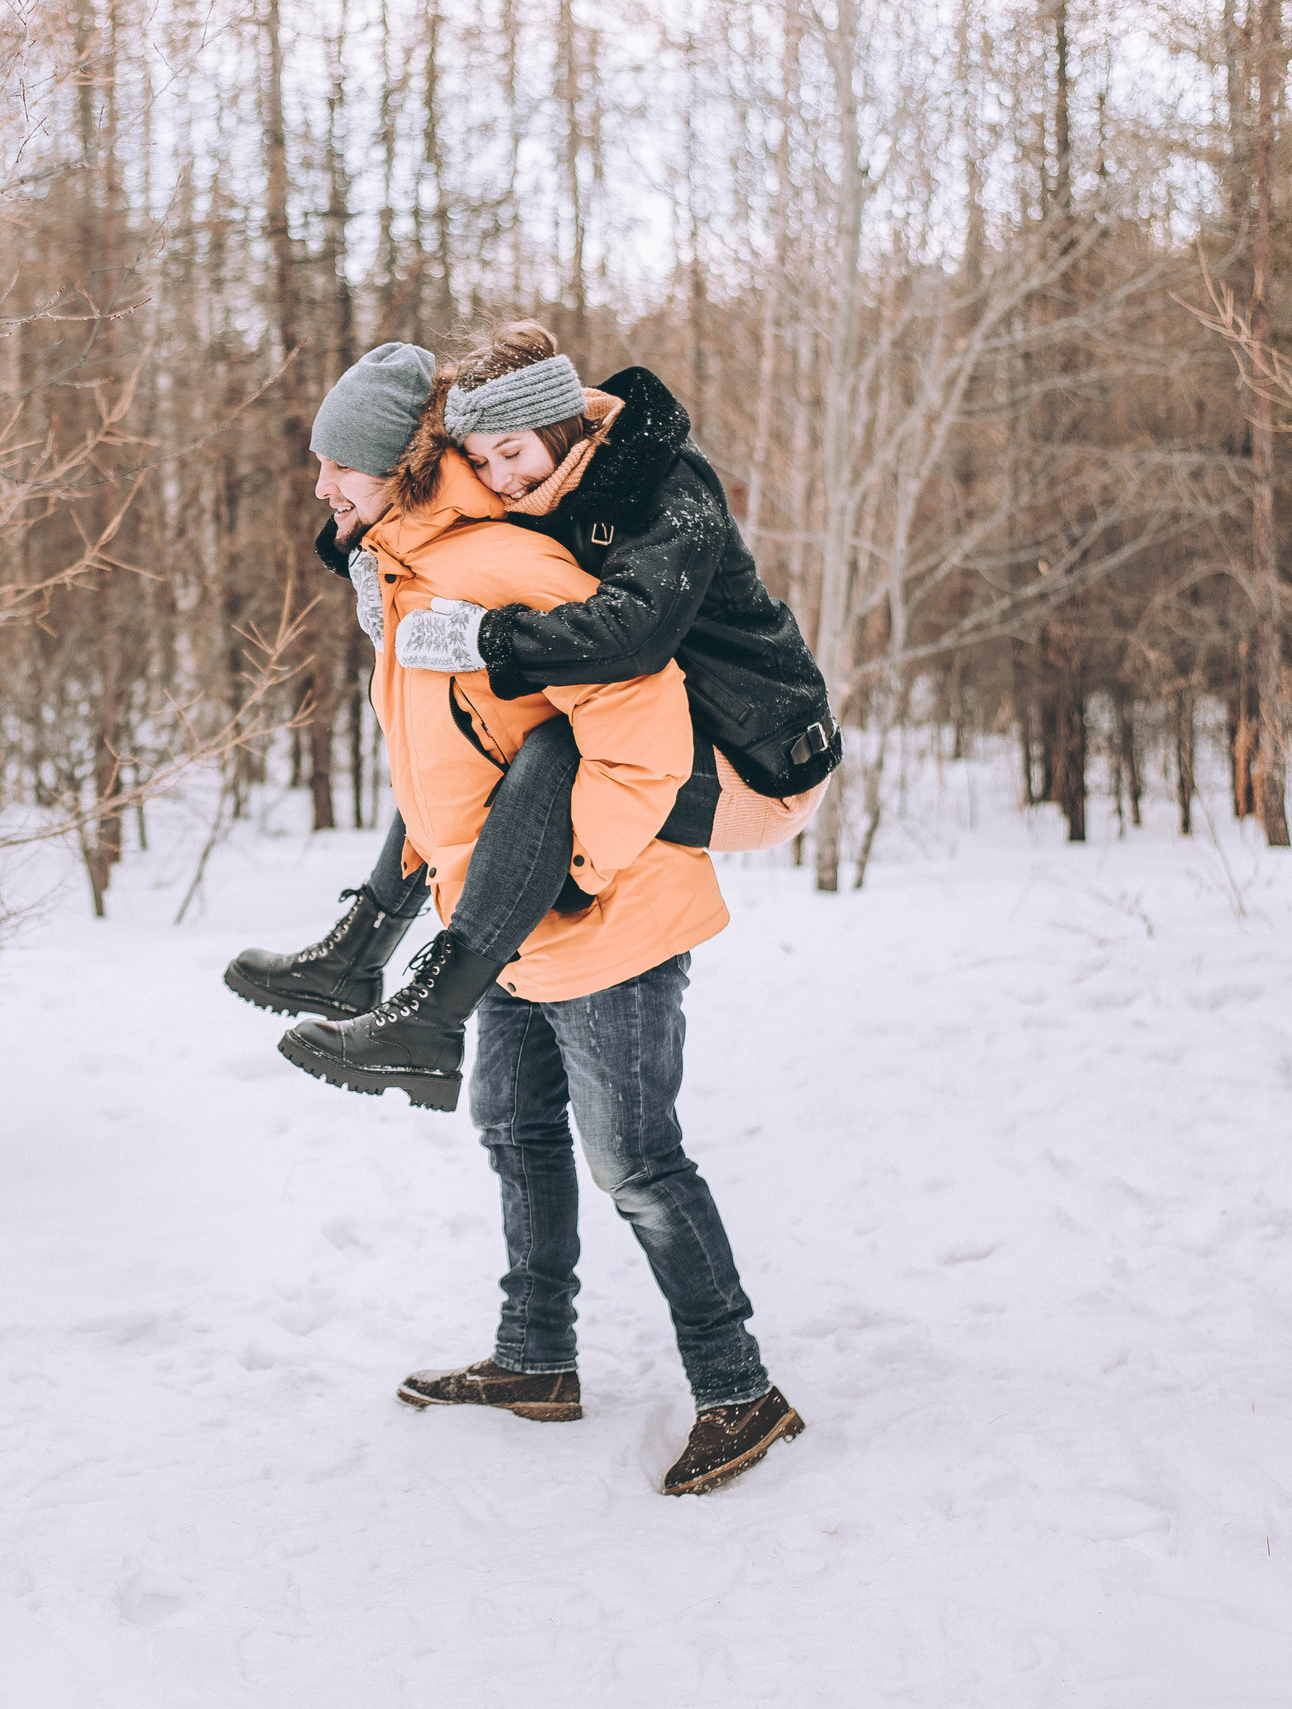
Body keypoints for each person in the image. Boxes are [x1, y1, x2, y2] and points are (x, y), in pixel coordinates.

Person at [264, 345, 805, 1496]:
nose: (318, 485)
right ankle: (534, 1358)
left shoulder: (510, 564)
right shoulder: (417, 572)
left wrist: (577, 873)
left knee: (639, 1167)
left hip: (600, 913)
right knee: (514, 1132)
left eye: (334, 465)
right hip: (502, 920)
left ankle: (740, 1387)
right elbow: (451, 770)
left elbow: (640, 731)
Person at [227, 323, 837, 1105]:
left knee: (549, 749)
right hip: (696, 729)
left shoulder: (660, 483)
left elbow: (636, 638)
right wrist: (379, 577)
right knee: (467, 735)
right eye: (480, 460)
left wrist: (487, 637)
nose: (499, 478)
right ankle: (361, 950)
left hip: (763, 766)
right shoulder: (544, 489)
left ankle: (437, 1010)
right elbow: (425, 522)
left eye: (511, 453)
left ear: (557, 424)